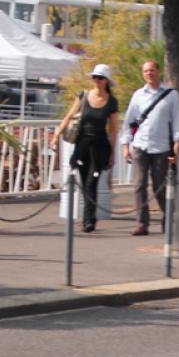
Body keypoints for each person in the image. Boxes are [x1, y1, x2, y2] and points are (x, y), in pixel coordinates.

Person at [51, 64, 120, 233]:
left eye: (100, 78)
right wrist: (55, 136)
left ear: (106, 81)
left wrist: (112, 153)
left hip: (100, 146)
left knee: (91, 182)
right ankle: (89, 218)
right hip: (82, 144)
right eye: (94, 77)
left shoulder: (111, 102)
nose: (96, 80)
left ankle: (89, 220)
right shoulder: (83, 96)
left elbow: (112, 129)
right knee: (83, 182)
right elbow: (69, 116)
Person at [120, 60, 179, 236]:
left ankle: (167, 215)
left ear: (158, 72)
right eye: (146, 71)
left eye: (152, 70)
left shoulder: (171, 95)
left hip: (161, 146)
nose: (149, 73)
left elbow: (178, 122)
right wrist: (125, 146)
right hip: (140, 145)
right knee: (139, 185)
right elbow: (128, 122)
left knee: (160, 186)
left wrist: (177, 145)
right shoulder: (138, 95)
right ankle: (142, 223)